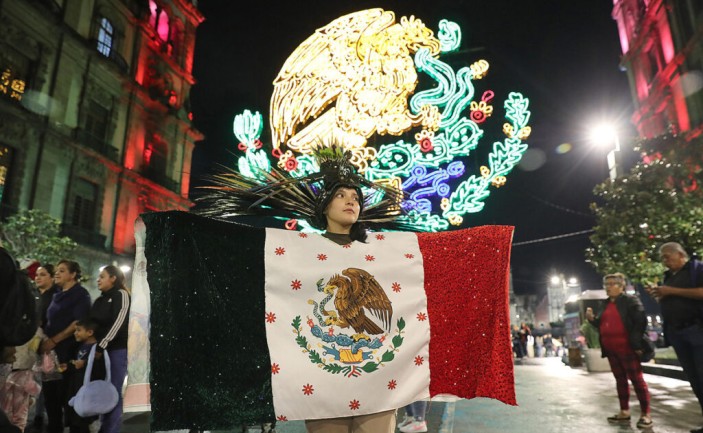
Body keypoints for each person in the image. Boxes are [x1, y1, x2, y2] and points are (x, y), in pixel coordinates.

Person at [646, 242, 703, 433]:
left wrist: (670, 291)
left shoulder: (696, 270)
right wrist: (659, 295)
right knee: (694, 379)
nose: (664, 261)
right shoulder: (669, 277)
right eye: (662, 258)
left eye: (667, 256)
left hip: (696, 330)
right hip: (678, 333)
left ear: (680, 254)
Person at [586, 272, 652, 429]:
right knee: (620, 380)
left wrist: (636, 344)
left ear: (621, 286)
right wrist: (592, 319)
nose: (608, 288)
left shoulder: (630, 301)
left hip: (627, 348)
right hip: (611, 349)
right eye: (606, 285)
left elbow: (640, 322)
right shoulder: (604, 304)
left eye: (612, 284)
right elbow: (601, 324)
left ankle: (646, 414)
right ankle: (624, 411)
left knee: (637, 380)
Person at [40, 260, 91, 433]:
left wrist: (54, 340)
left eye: (62, 271)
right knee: (50, 396)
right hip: (50, 353)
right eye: (56, 270)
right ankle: (54, 427)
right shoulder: (57, 294)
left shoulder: (80, 294)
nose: (57, 273)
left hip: (67, 351)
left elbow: (78, 322)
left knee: (64, 395)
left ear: (73, 274)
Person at [89, 265, 130, 433]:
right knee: (101, 389)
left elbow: (119, 322)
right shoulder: (100, 299)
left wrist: (103, 343)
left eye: (102, 276)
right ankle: (101, 425)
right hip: (99, 350)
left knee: (113, 391)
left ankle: (110, 429)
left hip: (117, 350)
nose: (98, 280)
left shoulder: (121, 295)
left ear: (113, 278)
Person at [61, 318, 105, 433]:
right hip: (76, 387)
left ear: (90, 332)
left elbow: (99, 369)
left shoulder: (97, 349)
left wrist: (84, 364)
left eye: (79, 330)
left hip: (88, 392)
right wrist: (68, 366)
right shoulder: (79, 346)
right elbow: (76, 363)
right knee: (74, 420)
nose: (75, 333)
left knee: (83, 422)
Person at [32, 263, 59, 429]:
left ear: (51, 277)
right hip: (31, 342)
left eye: (42, 274)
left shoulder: (56, 295)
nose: (38, 278)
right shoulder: (33, 294)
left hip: (49, 344)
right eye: (37, 275)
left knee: (47, 380)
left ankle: (41, 415)